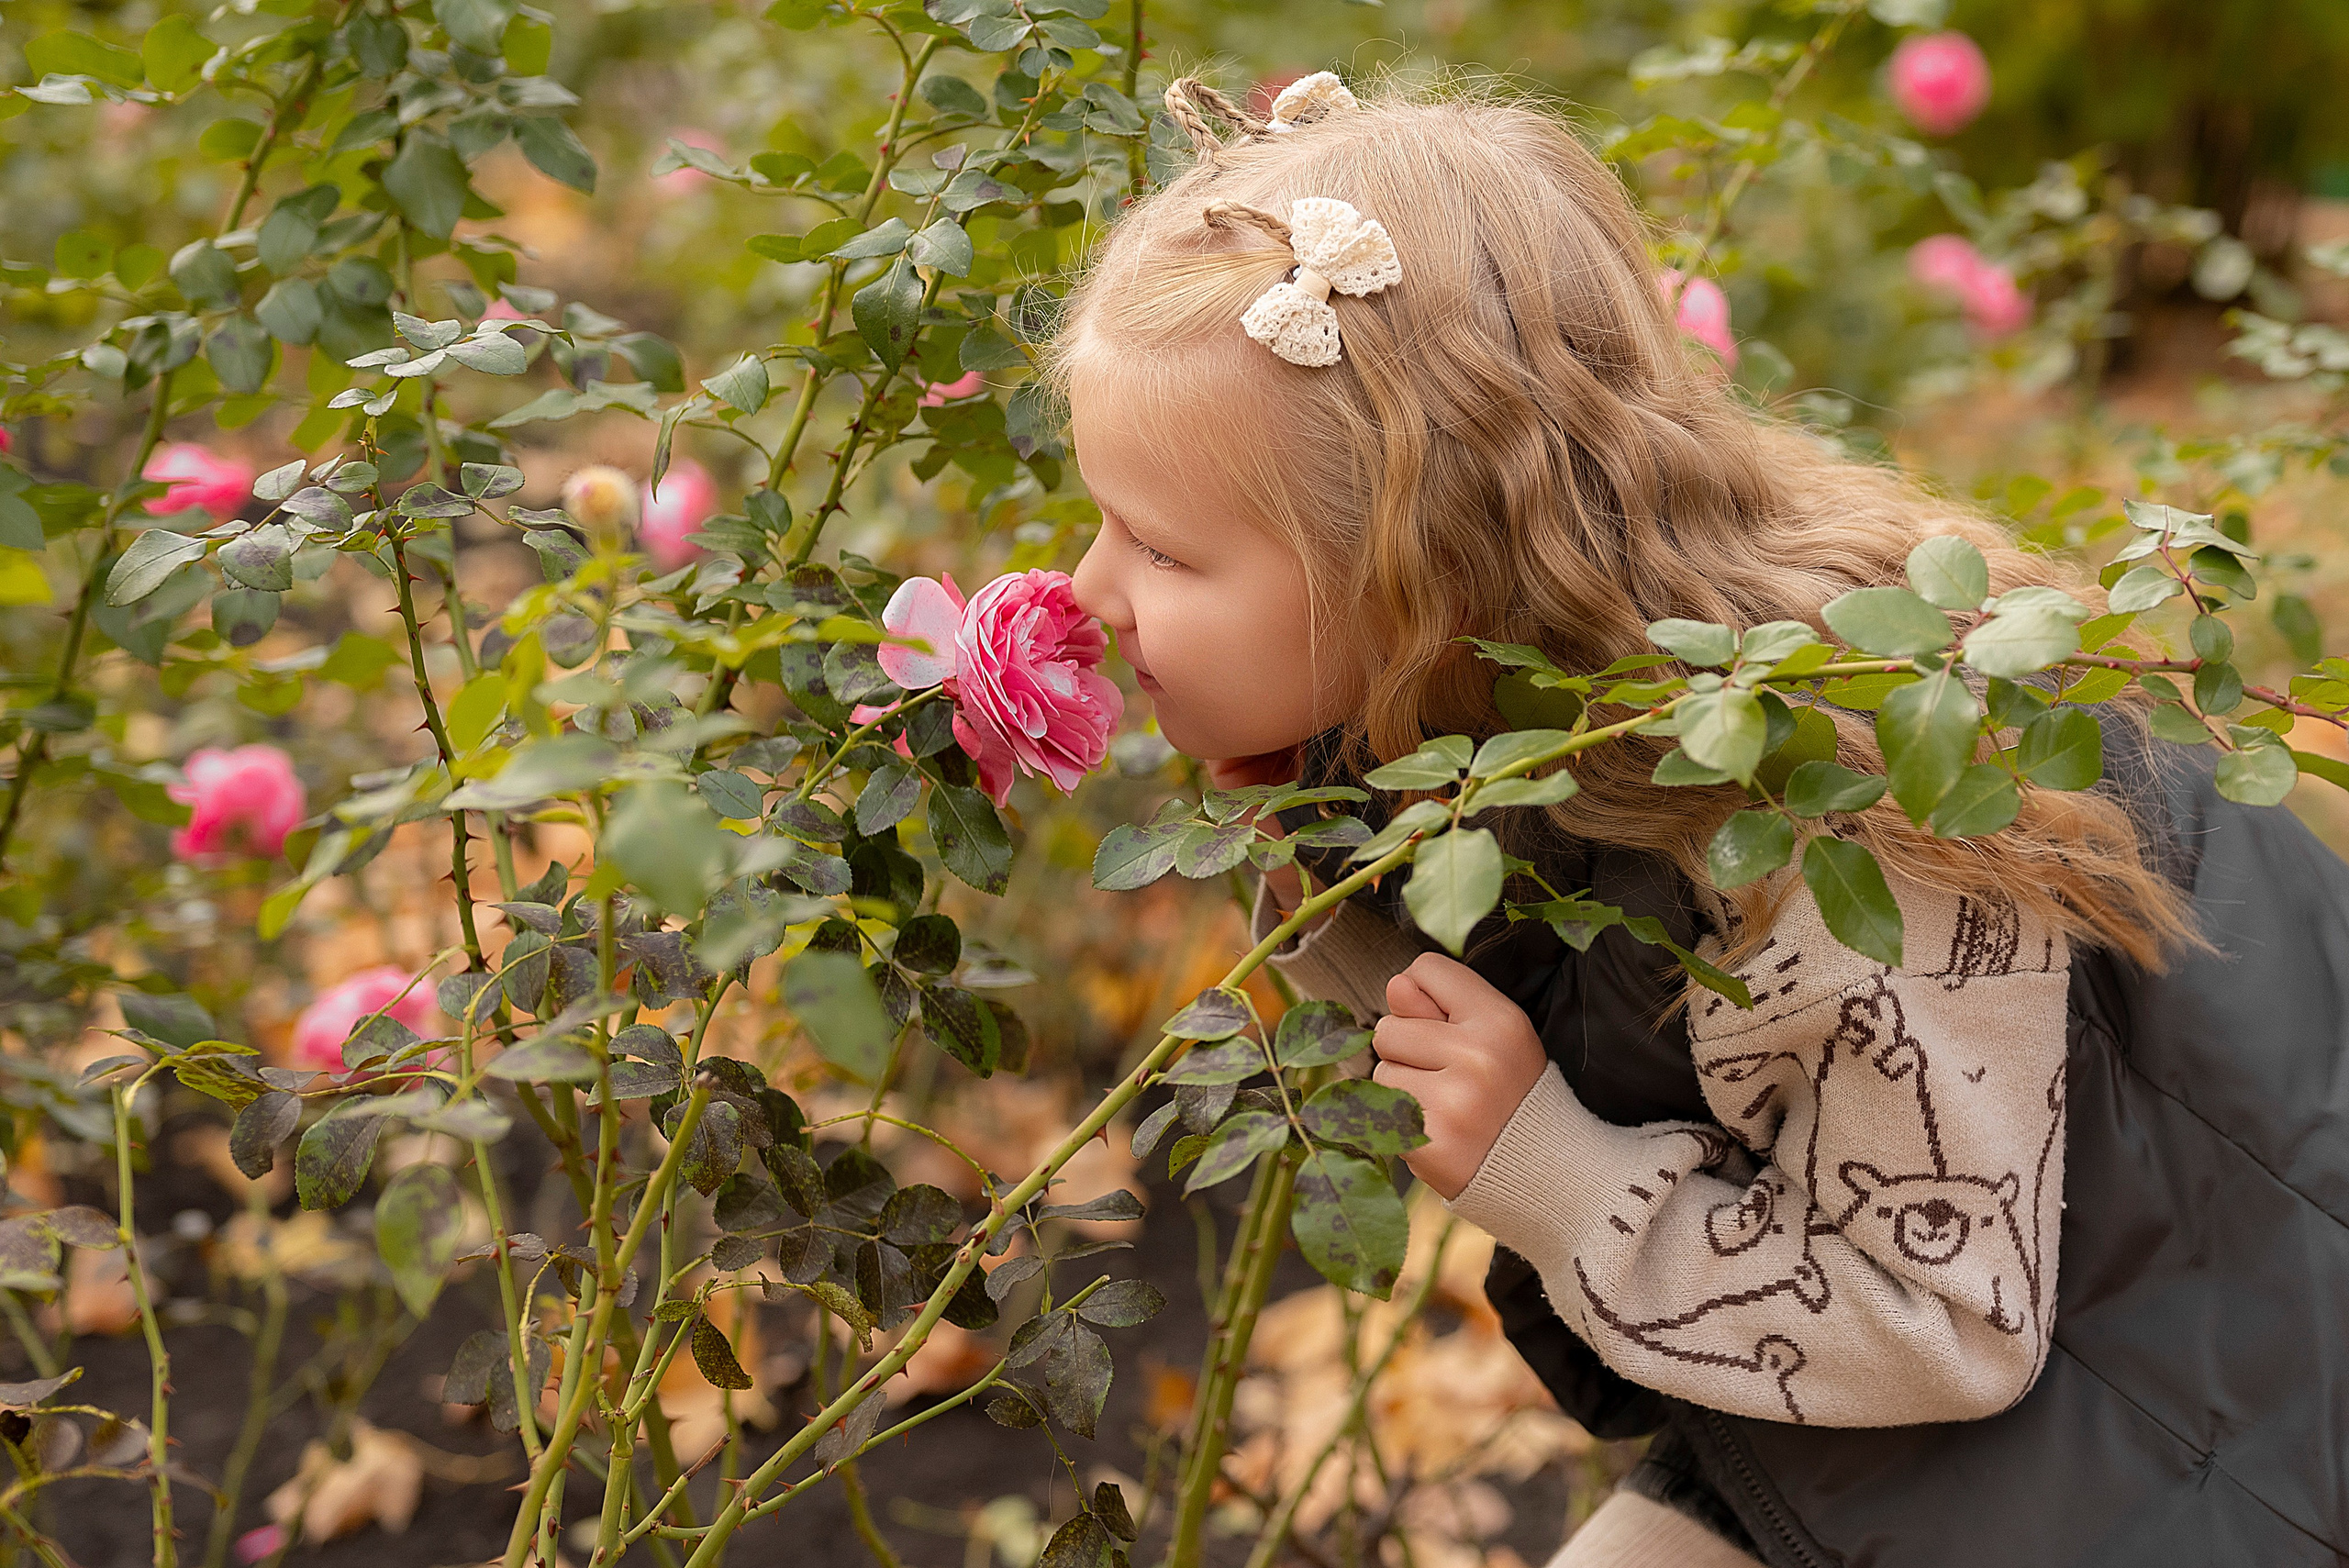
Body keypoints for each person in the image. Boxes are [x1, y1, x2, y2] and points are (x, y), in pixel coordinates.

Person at [1054, 74, 2349, 1568]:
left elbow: (1950, 1328)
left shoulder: (1831, 820)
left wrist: (1550, 1169)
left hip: (2205, 1399)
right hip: (1935, 1386)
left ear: (1418, 572)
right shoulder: (1451, 737)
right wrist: (1323, 867)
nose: (1092, 591)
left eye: (1159, 545)